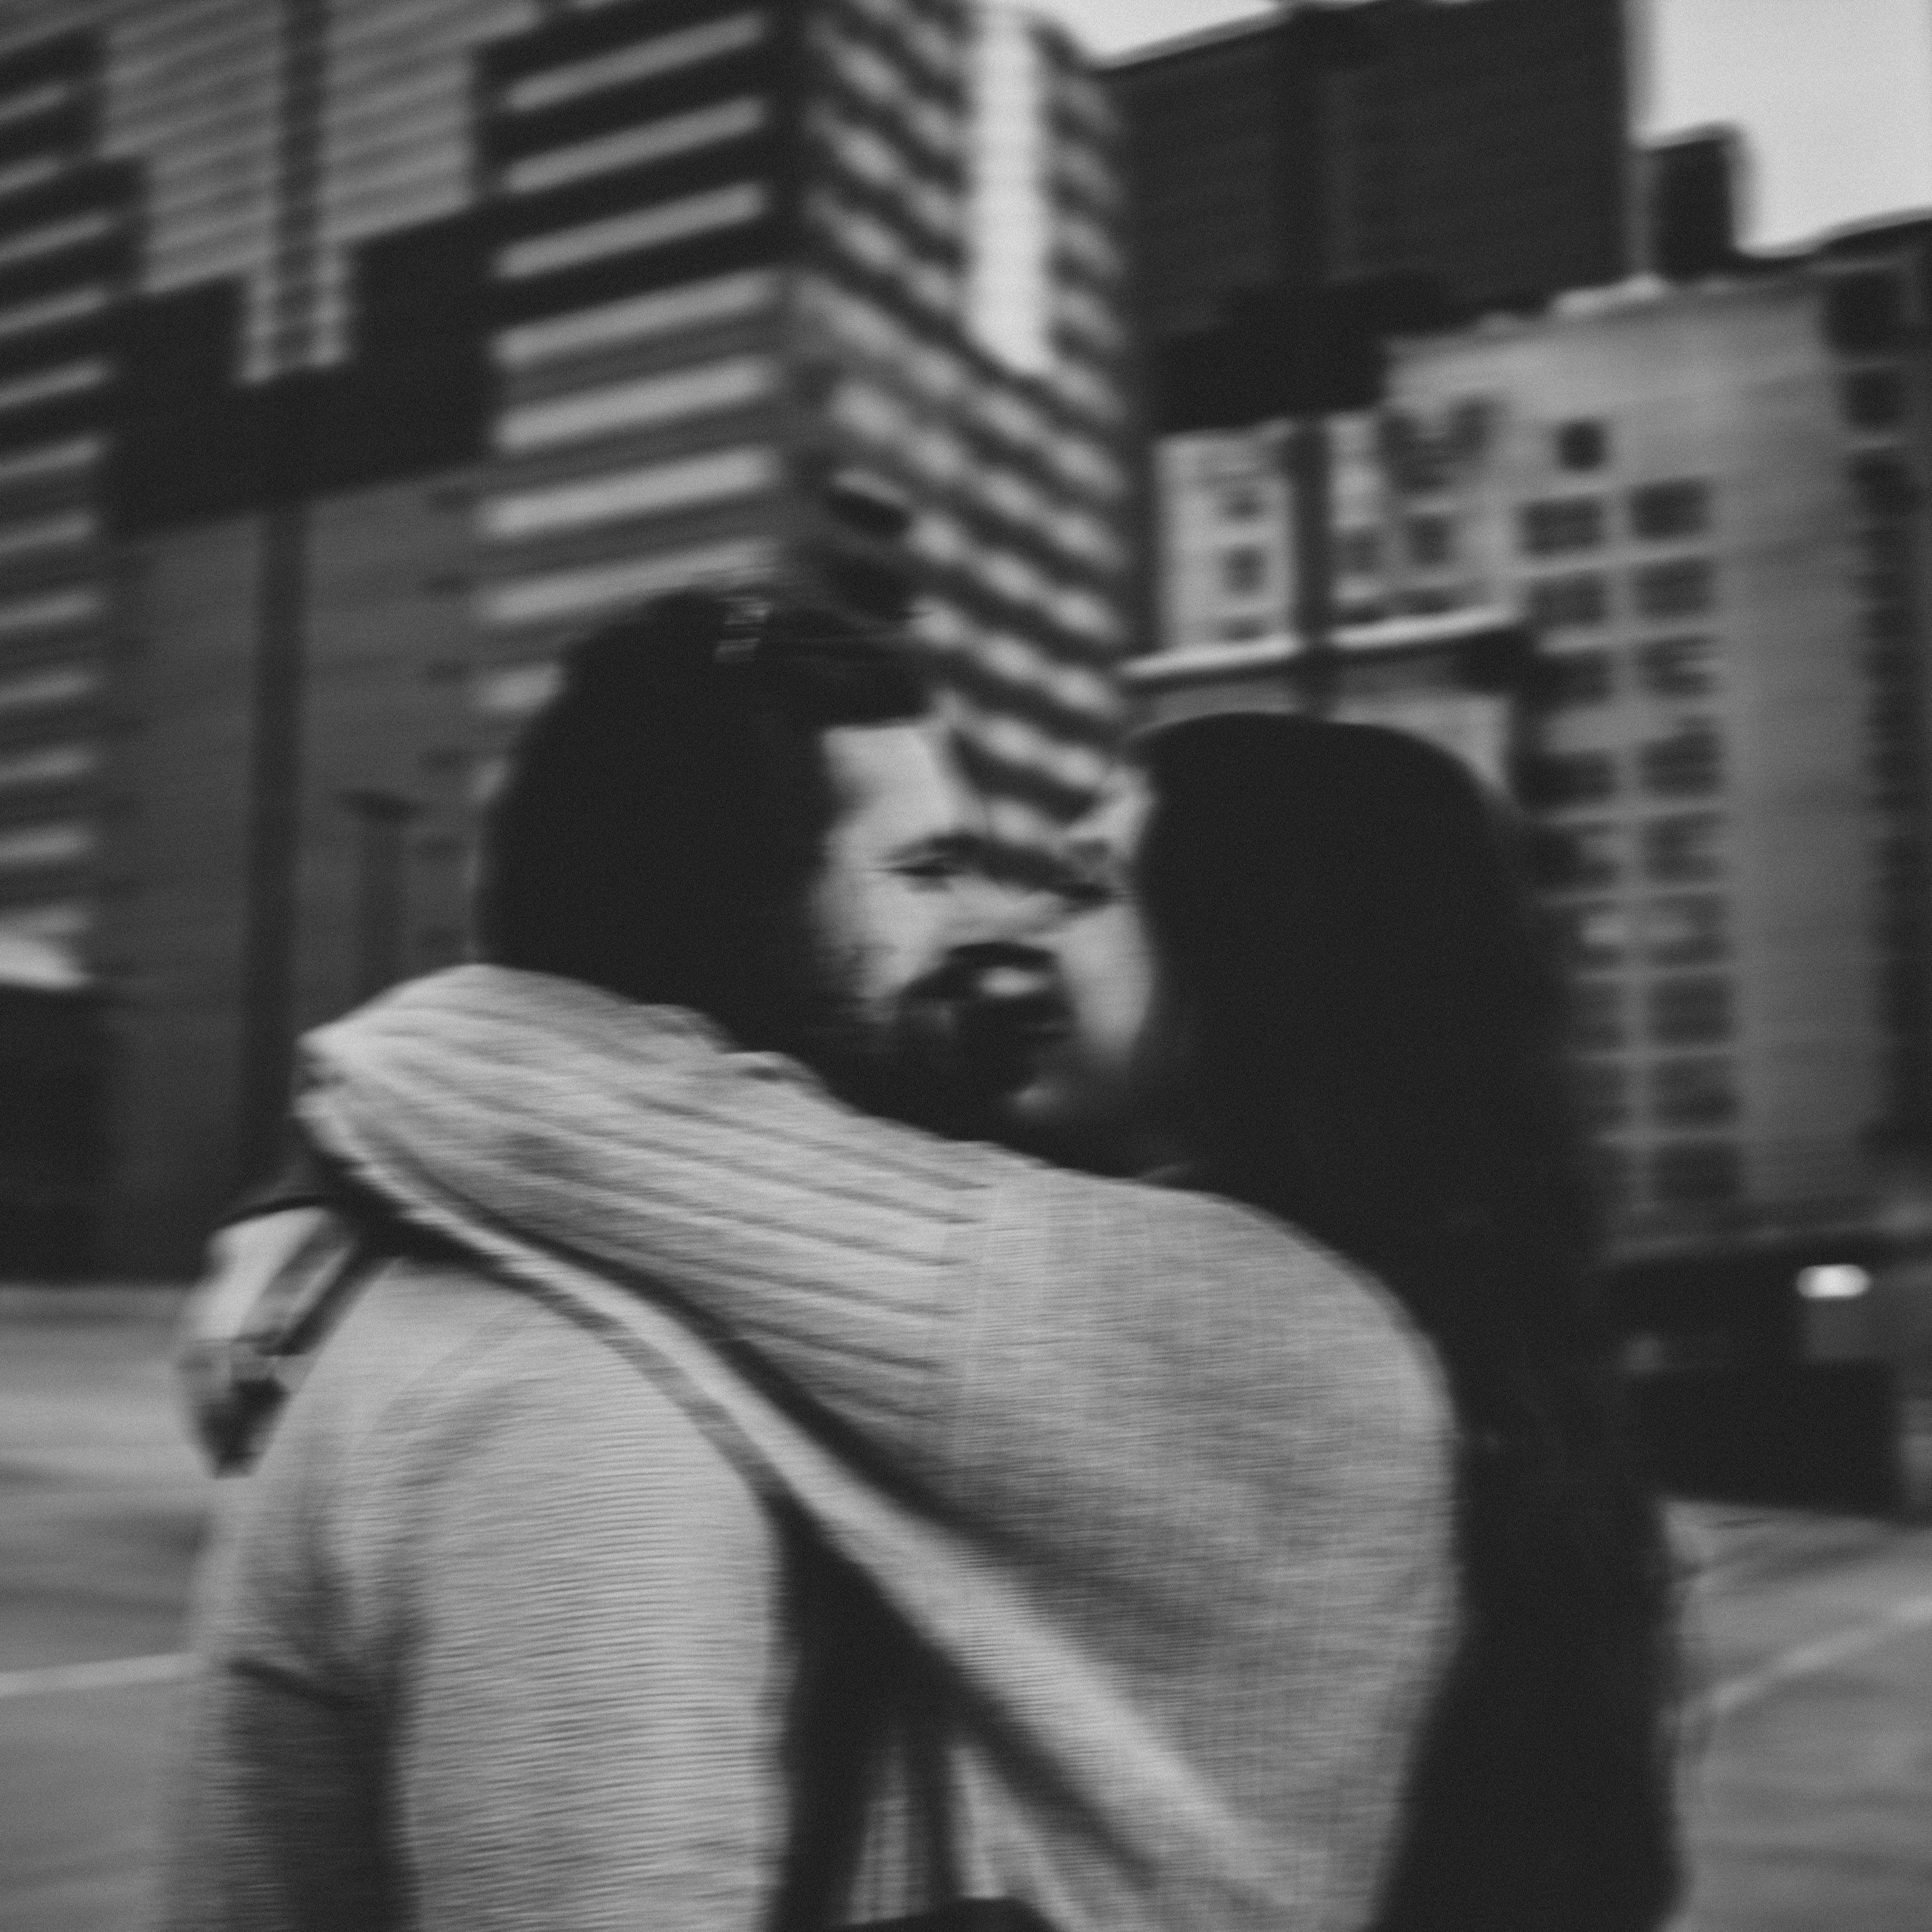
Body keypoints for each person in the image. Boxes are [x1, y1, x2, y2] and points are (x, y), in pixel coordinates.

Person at [163, 596, 1459, 1931]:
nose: (995, 926)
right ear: (727, 907)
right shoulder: (573, 1410)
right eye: (925, 871)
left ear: (1250, 966)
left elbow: (594, 1127)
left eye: (1084, 889)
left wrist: (339, 1127)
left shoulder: (1272, 1333)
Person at [1008, 714, 1684, 1931]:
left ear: (1256, 948)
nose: (1027, 930)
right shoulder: (1448, 1306)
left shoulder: (1230, 1300)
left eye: (1088, 888)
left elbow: (679, 1149)